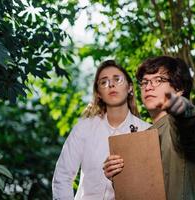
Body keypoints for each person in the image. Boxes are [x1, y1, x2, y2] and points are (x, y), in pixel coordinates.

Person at [103, 56, 195, 200]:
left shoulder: (180, 124)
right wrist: (117, 175)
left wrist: (182, 108)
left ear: (179, 89)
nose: (148, 87)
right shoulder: (143, 137)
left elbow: (189, 125)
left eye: (158, 80)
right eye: (144, 82)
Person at [52, 60, 150, 200]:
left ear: (129, 87)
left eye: (117, 79)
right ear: (98, 93)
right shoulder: (83, 128)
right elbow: (62, 176)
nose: (111, 84)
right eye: (103, 82)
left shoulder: (146, 131)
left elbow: (150, 185)